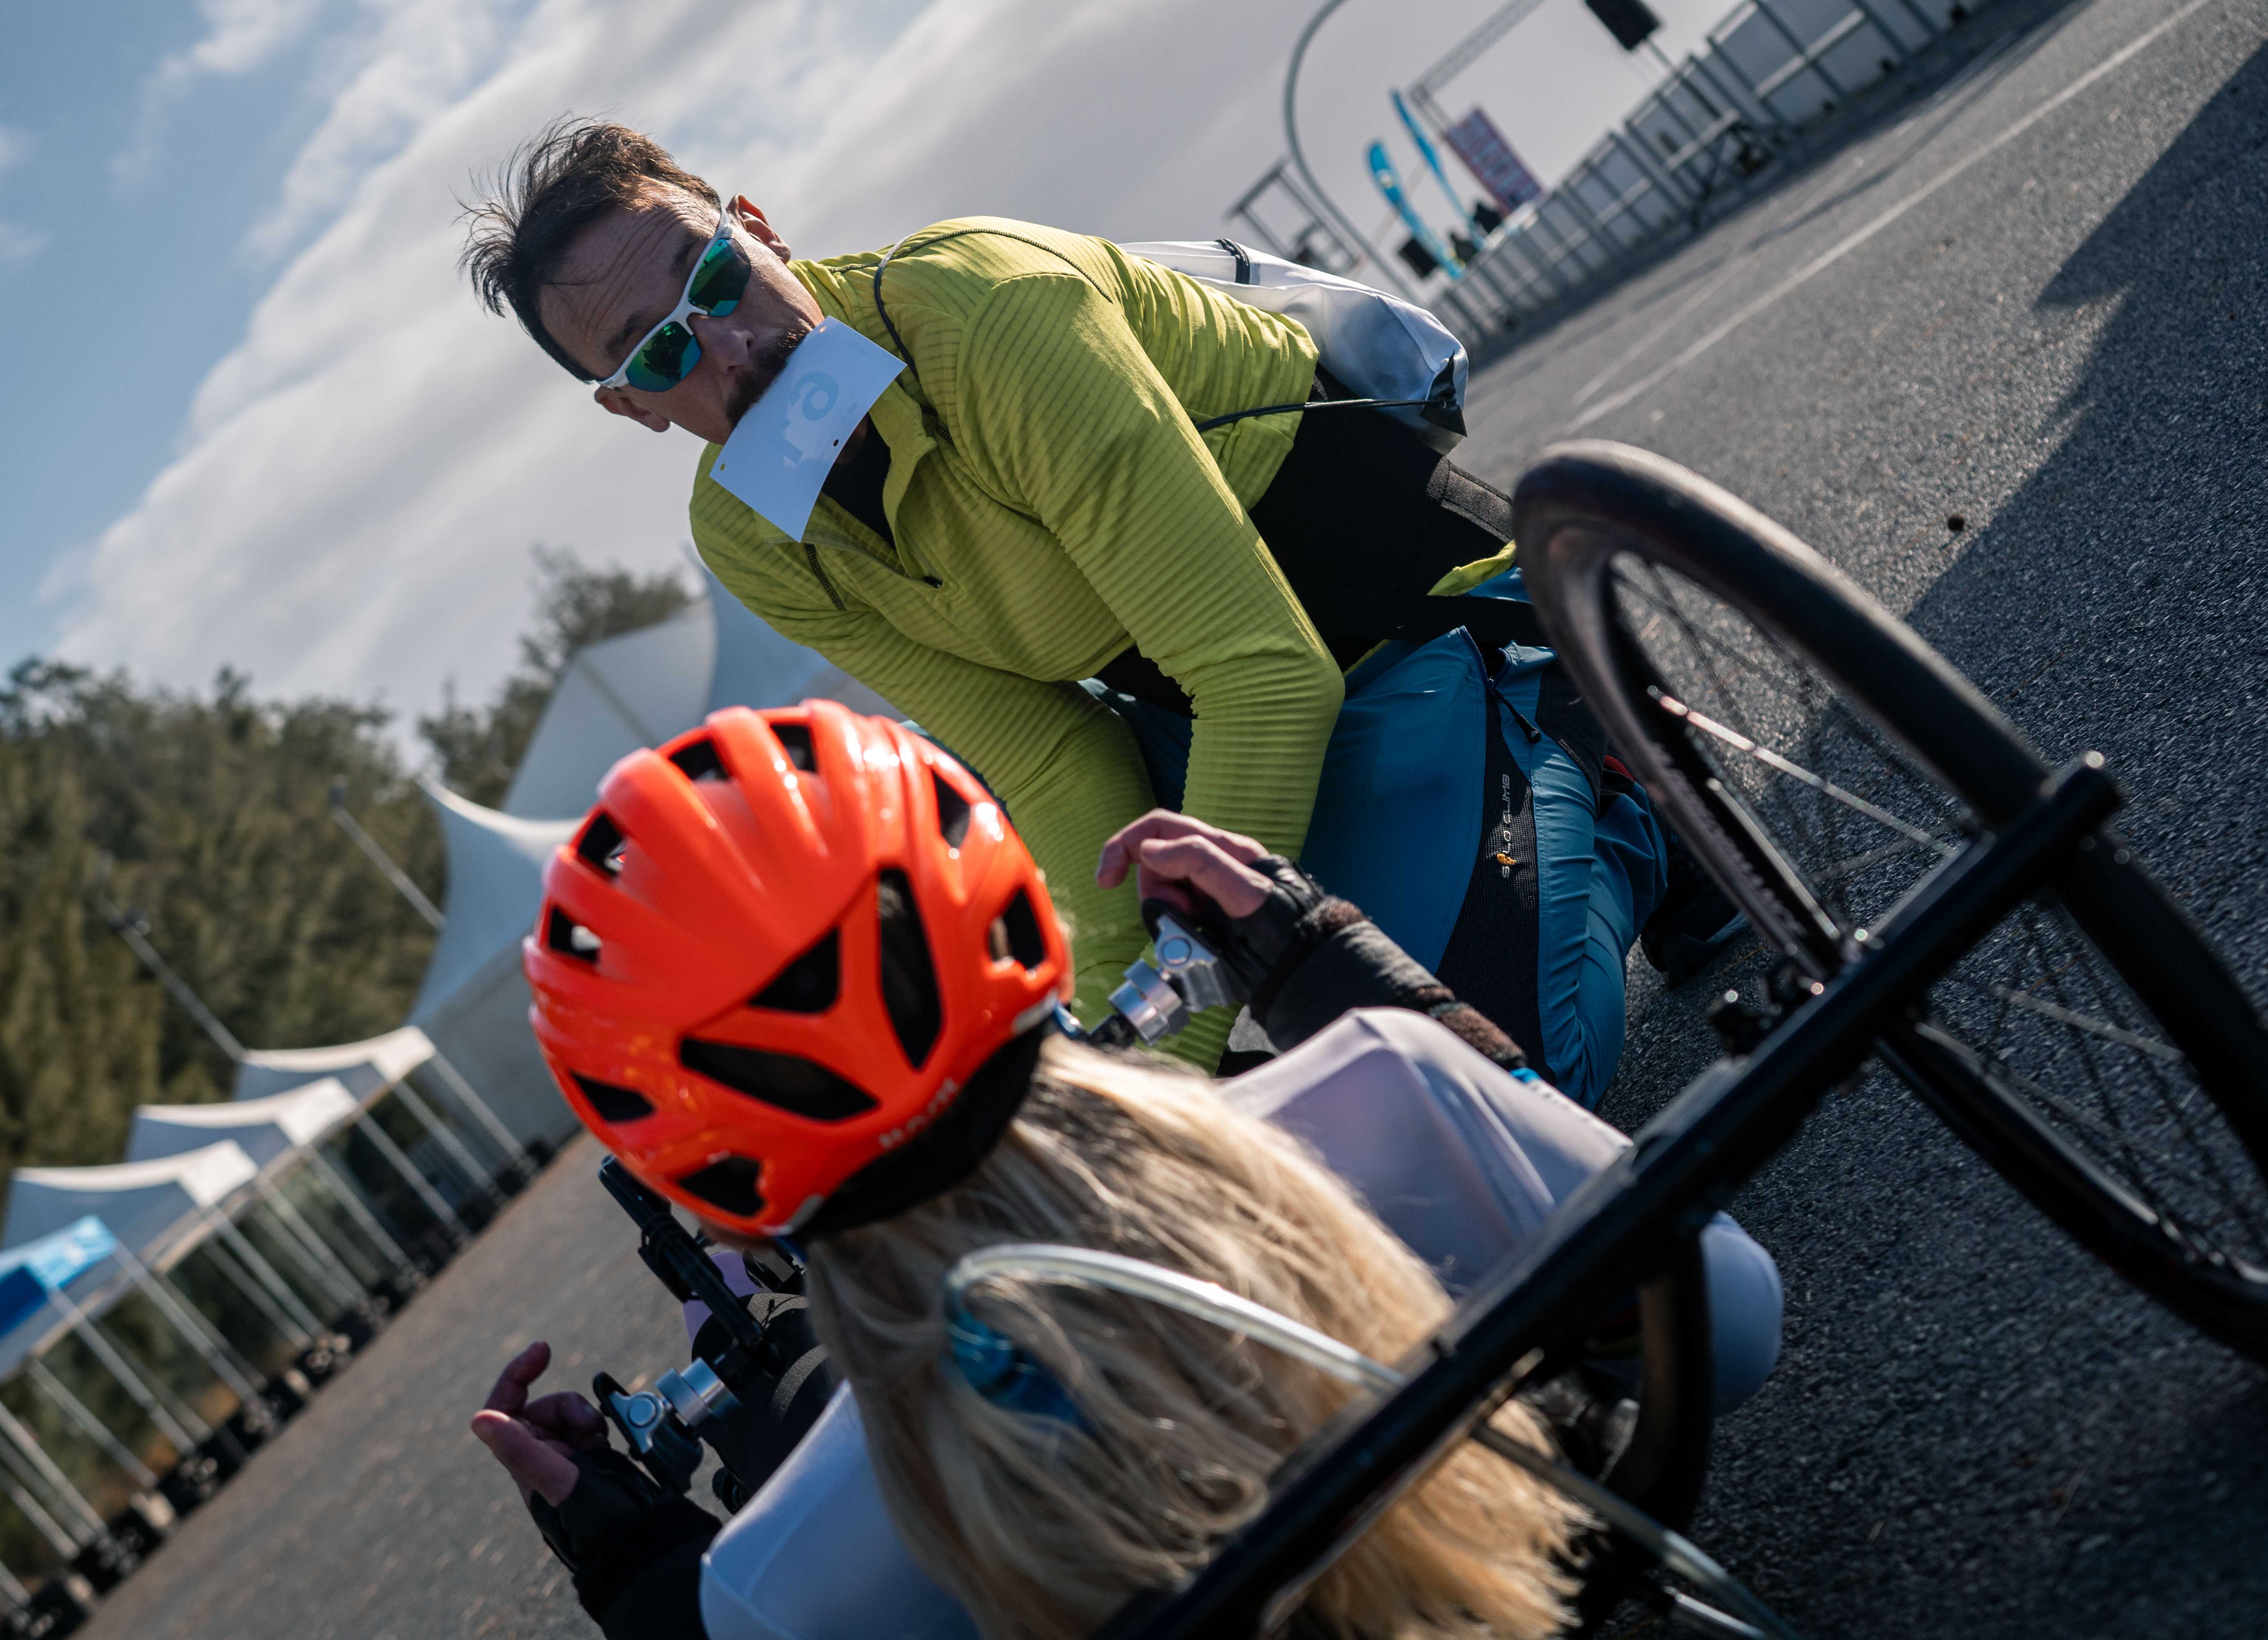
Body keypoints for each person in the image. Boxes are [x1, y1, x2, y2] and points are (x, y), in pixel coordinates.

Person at [457, 121, 1744, 1102]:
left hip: (1417, 621)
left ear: (760, 227)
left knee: (1517, 1078)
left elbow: (1265, 673)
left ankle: (1617, 771)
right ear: (630, 406)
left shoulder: (986, 313)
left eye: (717, 274)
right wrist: (1127, 1034)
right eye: (663, 351)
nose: (730, 346)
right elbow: (1056, 764)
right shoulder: (748, 536)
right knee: (1357, 1086)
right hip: (1216, 711)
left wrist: (1179, 1031)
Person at [470, 699, 1784, 1640]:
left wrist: (629, 1550)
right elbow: (1732, 1322)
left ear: (703, 1182)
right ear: (1010, 909)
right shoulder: (1384, 1089)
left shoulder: (789, 1572)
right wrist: (1330, 962)